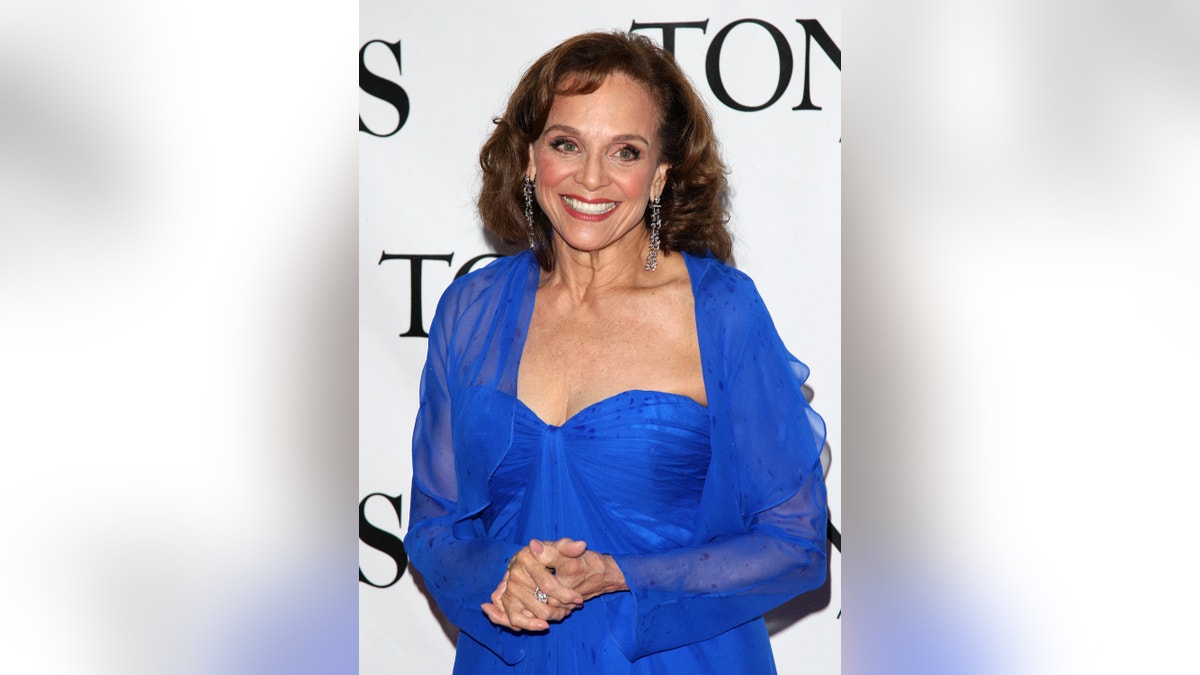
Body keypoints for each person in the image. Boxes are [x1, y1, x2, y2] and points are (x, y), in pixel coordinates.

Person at [404, 31, 828, 674]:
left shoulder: (720, 311)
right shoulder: (470, 310)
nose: (591, 177)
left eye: (624, 151)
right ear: (528, 158)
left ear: (659, 175)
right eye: (566, 143)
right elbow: (435, 531)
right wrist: (500, 574)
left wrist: (622, 574)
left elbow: (796, 543)